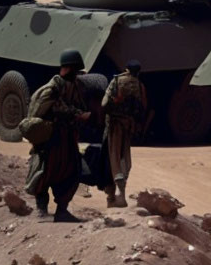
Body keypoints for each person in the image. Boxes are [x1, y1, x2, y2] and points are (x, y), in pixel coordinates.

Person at [24, 49, 91, 222]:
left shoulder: (75, 87)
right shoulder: (52, 88)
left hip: (67, 139)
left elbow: (79, 105)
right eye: (74, 69)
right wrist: (76, 114)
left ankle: (62, 210)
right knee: (44, 172)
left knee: (71, 172)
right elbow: (47, 109)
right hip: (50, 139)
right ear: (67, 68)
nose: (76, 73)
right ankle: (41, 209)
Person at [100, 60, 147, 208]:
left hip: (113, 126)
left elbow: (104, 104)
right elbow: (143, 108)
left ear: (126, 69)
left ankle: (116, 196)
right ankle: (120, 194)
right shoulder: (140, 85)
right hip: (129, 126)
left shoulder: (116, 81)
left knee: (112, 159)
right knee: (125, 158)